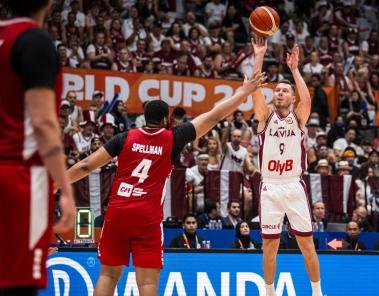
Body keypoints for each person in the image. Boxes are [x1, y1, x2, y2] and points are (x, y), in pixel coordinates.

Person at [66, 72, 265, 295]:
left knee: (108, 275)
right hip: (147, 216)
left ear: (143, 116)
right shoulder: (173, 137)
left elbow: (85, 166)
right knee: (148, 283)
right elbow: (215, 115)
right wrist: (245, 91)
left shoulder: (124, 137)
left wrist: (57, 184)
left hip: (118, 212)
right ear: (165, 120)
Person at [0, 1, 75, 295]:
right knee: (19, 286)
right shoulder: (34, 41)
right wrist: (66, 189)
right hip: (20, 177)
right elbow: (44, 124)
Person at [251, 35, 323, 296]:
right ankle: (269, 292)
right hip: (270, 186)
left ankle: (317, 292)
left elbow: (307, 100)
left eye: (284, 90)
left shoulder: (298, 117)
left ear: (291, 97)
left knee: (307, 244)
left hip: (294, 186)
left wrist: (294, 69)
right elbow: (255, 89)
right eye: (277, 90)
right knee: (269, 246)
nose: (279, 93)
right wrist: (259, 55)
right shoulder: (264, 117)